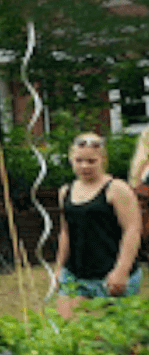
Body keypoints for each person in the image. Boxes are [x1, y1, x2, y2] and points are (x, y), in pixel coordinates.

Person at [55, 133, 142, 319]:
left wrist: (121, 270)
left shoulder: (117, 189)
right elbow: (66, 232)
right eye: (79, 160)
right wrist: (58, 268)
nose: (84, 166)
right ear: (71, 160)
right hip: (76, 274)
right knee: (67, 329)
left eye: (91, 161)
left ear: (103, 160)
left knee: (114, 339)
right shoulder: (65, 192)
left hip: (109, 274)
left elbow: (132, 230)